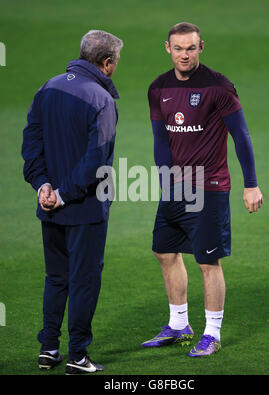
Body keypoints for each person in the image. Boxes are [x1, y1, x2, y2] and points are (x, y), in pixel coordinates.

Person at [141, 22, 263, 357]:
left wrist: (250, 184)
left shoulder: (218, 86)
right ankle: (179, 325)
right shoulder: (158, 88)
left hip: (209, 186)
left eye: (191, 48)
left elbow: (241, 136)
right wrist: (165, 183)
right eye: (178, 48)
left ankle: (212, 333)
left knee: (208, 262)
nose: (184, 55)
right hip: (175, 188)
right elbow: (160, 141)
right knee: (164, 252)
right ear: (167, 48)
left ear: (201, 47)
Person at [22, 30, 123, 374]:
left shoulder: (47, 87)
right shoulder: (101, 100)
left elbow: (31, 143)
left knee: (55, 278)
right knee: (84, 280)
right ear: (107, 63)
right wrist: (64, 194)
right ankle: (77, 356)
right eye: (116, 62)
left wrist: (43, 186)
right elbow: (97, 160)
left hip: (48, 205)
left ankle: (49, 348)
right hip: (85, 209)